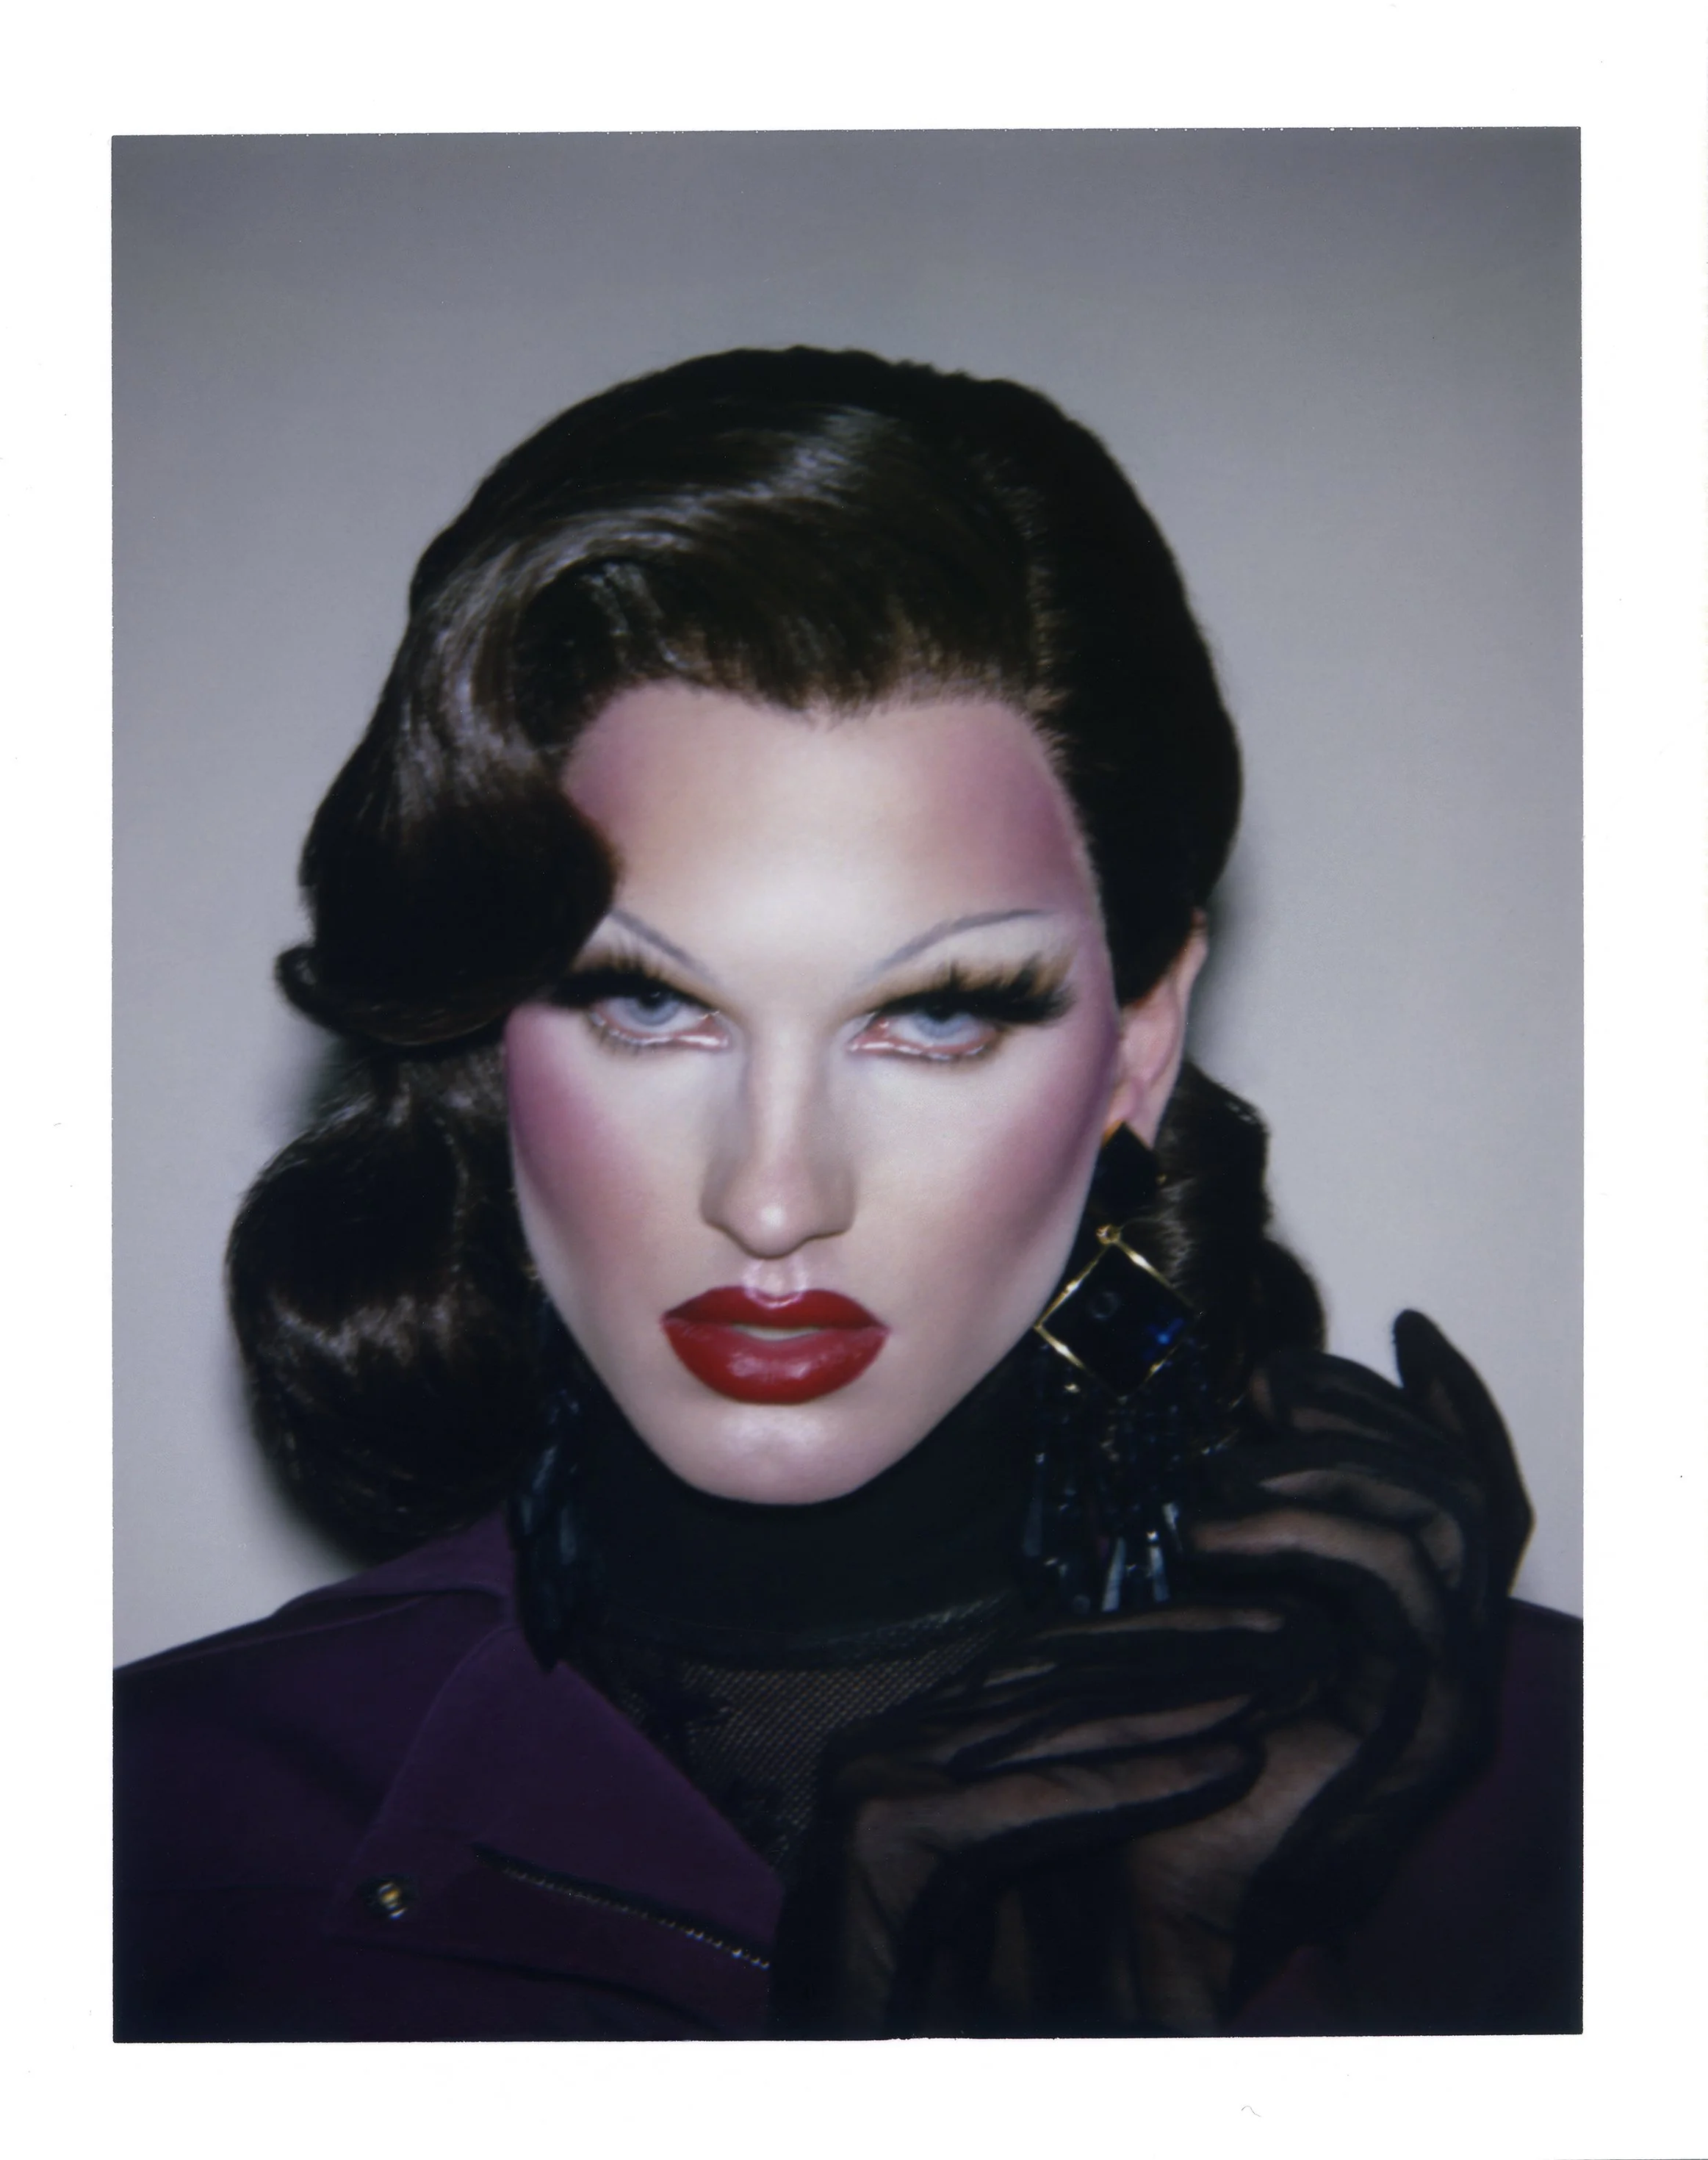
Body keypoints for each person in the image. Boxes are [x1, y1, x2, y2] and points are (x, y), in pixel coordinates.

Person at [115, 347, 1579, 2041]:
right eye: (647, 1004)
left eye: (934, 1016)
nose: (772, 1197)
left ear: (1137, 1038)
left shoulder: (1583, 1824)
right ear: (484, 1037)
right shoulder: (143, 1838)